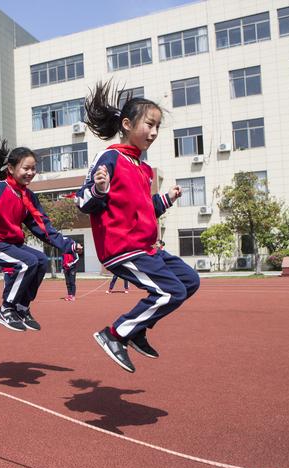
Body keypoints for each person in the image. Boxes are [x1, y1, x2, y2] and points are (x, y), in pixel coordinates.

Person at [76, 81, 200, 373]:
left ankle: (138, 328)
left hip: (147, 247)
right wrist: (99, 189)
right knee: (171, 292)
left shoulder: (143, 169)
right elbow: (82, 202)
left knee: (190, 281)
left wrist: (165, 200)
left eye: (158, 127)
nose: (154, 133)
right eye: (149, 125)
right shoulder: (111, 157)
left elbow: (144, 210)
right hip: (123, 249)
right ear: (128, 123)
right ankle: (115, 333)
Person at [0, 137, 81, 331]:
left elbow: (43, 227)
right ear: (11, 168)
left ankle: (22, 308)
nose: (30, 173)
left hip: (8, 244)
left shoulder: (28, 197)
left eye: (33, 169)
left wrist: (68, 244)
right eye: (26, 168)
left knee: (41, 260)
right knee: (27, 262)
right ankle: (6, 309)